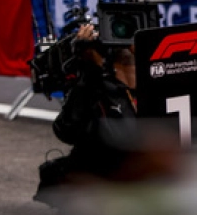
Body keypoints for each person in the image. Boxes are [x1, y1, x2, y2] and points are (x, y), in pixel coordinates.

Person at [37, 21, 138, 197]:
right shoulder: (96, 89)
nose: (131, 67)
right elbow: (66, 130)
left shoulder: (160, 85)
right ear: (114, 67)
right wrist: (89, 71)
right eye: (125, 61)